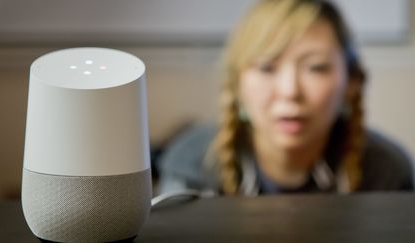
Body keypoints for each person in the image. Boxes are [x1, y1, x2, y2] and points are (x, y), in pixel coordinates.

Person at [157, 0, 414, 196]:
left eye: (316, 68)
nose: (290, 90)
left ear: (352, 82)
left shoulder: (387, 173)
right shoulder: (192, 165)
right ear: (237, 84)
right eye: (267, 67)